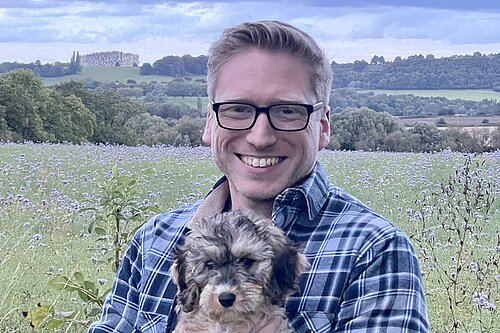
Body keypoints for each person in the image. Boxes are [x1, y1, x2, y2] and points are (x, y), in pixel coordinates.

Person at [88, 20, 429, 332]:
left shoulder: (373, 251)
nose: (260, 136)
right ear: (210, 122)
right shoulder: (153, 241)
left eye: (287, 111)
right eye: (238, 109)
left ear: (322, 127)